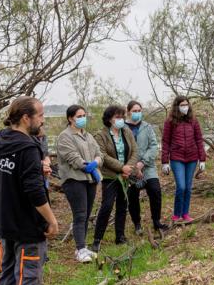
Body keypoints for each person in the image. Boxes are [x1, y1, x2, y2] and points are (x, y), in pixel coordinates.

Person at [0, 96, 59, 285]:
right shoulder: (27, 147)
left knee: (7, 271)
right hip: (26, 225)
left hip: (2, 220)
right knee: (28, 276)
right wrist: (51, 220)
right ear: (26, 118)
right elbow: (34, 192)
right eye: (40, 115)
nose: (43, 120)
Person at [56, 105, 103, 263]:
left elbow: (99, 153)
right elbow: (72, 157)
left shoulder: (87, 135)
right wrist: (86, 165)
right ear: (70, 118)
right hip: (74, 179)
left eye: (84, 115)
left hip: (90, 179)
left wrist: (96, 162)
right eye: (79, 116)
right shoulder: (65, 136)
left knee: (86, 214)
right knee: (80, 214)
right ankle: (80, 249)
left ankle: (82, 248)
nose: (83, 118)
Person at [90, 104, 138, 251]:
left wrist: (128, 168)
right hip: (110, 176)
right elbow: (102, 155)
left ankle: (120, 237)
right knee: (107, 206)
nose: (121, 120)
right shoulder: (101, 134)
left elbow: (135, 151)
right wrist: (120, 167)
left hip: (125, 175)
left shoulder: (126, 131)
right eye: (117, 117)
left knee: (123, 206)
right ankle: (97, 240)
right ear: (109, 119)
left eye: (122, 117)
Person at [161, 96, 207, 223]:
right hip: (177, 158)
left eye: (186, 104)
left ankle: (185, 213)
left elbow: (199, 139)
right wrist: (165, 161)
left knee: (188, 187)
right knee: (180, 187)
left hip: (192, 158)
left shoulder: (193, 121)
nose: (185, 107)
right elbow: (165, 141)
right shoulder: (170, 121)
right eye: (182, 105)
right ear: (177, 106)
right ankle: (177, 214)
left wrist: (202, 159)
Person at [125, 100, 167, 233]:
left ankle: (156, 221)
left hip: (148, 167)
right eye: (134, 111)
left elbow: (154, 146)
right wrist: (133, 167)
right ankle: (137, 224)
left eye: (139, 111)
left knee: (155, 191)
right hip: (130, 169)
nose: (137, 113)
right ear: (128, 112)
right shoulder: (123, 129)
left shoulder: (147, 127)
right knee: (132, 196)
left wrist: (143, 162)